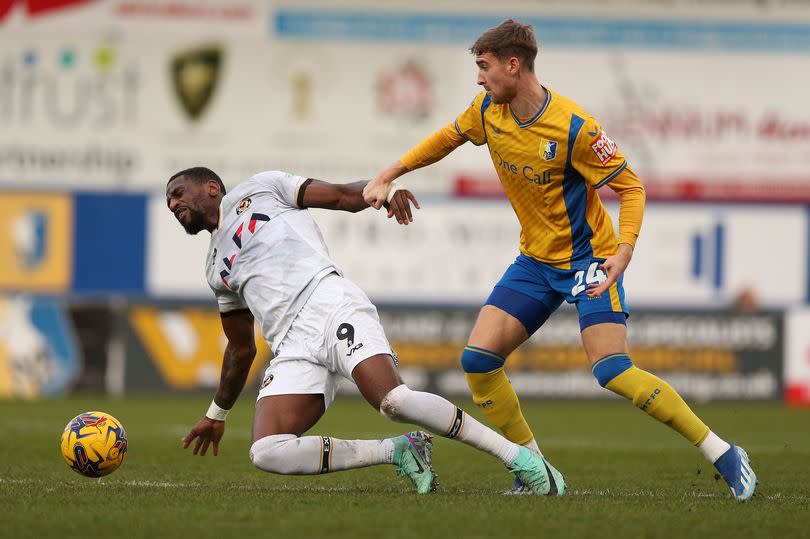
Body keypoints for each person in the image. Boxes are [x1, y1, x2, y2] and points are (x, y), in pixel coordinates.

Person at [363, 19, 755, 500]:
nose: (479, 79)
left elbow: (631, 187)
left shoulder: (574, 127)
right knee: (479, 360)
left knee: (610, 369)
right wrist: (388, 173)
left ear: (514, 64)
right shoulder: (488, 111)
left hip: (590, 258)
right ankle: (534, 468)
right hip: (535, 263)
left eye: (484, 67)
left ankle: (723, 452)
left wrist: (624, 253)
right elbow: (446, 138)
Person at [166, 166, 565, 495]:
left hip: (328, 300)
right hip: (291, 346)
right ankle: (399, 451)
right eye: (169, 201)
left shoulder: (262, 188)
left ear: (212, 188)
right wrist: (216, 414)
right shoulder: (215, 268)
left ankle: (521, 459)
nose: (173, 203)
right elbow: (240, 349)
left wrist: (383, 194)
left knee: (393, 400)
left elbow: (341, 194)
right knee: (267, 451)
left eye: (180, 192)